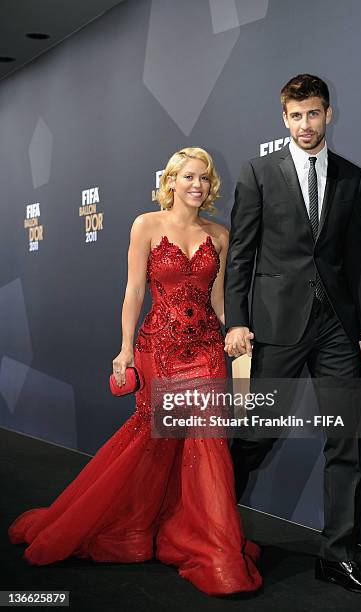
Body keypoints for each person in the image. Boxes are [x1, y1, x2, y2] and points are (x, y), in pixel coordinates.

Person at [8, 147, 262, 596]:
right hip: (157, 349)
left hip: (204, 350)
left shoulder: (220, 236)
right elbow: (135, 290)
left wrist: (236, 331)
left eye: (203, 178)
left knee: (208, 445)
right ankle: (130, 524)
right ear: (170, 182)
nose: (197, 185)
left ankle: (212, 543)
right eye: (188, 177)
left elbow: (220, 299)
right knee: (152, 440)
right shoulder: (146, 225)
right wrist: (124, 350)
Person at [224, 75, 361, 596]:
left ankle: (338, 557)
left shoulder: (350, 176)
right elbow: (242, 253)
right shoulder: (257, 173)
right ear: (284, 119)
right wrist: (238, 320)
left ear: (328, 114)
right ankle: (212, 529)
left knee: (346, 441)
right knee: (255, 436)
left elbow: (356, 257)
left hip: (338, 326)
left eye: (312, 114)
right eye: (295, 116)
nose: (305, 125)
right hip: (278, 325)